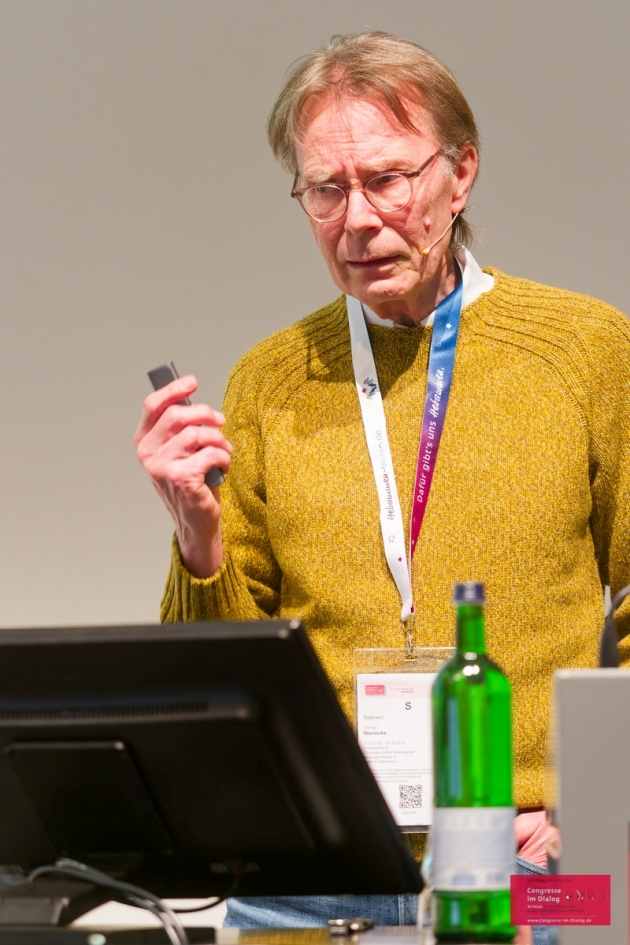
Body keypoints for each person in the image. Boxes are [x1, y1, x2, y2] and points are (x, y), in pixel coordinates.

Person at [134, 31, 630, 943]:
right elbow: (219, 676)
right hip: (310, 873)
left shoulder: (585, 351)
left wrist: (594, 807)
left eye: (387, 179)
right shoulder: (270, 380)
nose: (356, 219)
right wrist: (197, 541)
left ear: (461, 173)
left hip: (530, 865)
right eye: (326, 189)